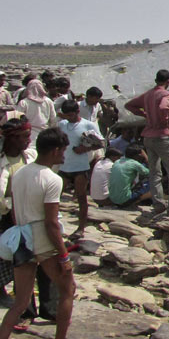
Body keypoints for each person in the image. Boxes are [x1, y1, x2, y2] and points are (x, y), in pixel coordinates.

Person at [0, 128, 81, 339]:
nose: (64, 156)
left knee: (21, 302)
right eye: (63, 151)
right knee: (67, 289)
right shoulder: (52, 179)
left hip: (21, 237)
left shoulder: (20, 173)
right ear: (55, 150)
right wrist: (64, 256)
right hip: (42, 238)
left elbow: (15, 213)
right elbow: (51, 223)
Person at [124, 69, 169, 217]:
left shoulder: (148, 95)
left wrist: (145, 114)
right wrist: (163, 120)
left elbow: (129, 105)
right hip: (161, 136)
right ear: (168, 81)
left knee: (154, 171)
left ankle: (158, 204)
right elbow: (163, 107)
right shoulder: (166, 94)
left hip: (148, 136)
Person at [0, 119, 37, 303]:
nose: (28, 140)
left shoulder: (29, 157)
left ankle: (22, 294)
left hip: (25, 213)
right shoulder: (2, 161)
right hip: (4, 214)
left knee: (23, 255)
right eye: (24, 137)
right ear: (12, 138)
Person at [57, 99, 103, 239]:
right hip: (64, 166)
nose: (69, 118)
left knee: (81, 197)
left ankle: (81, 228)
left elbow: (100, 143)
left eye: (71, 115)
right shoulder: (62, 124)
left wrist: (84, 148)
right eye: (66, 115)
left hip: (80, 167)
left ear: (77, 112)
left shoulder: (88, 124)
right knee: (55, 196)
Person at [16, 80, 57, 145]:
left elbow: (17, 119)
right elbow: (53, 119)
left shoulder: (24, 102)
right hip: (45, 134)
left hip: (29, 135)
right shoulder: (48, 101)